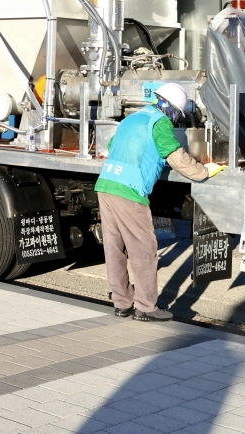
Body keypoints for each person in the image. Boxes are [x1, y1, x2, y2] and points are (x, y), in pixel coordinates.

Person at [94, 83, 224, 322]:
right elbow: (176, 157)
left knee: (115, 248)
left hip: (106, 185)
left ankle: (122, 303)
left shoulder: (133, 118)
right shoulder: (160, 122)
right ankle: (146, 307)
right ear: (171, 108)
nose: (177, 120)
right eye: (178, 114)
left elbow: (114, 146)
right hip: (129, 191)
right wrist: (203, 171)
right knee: (143, 249)